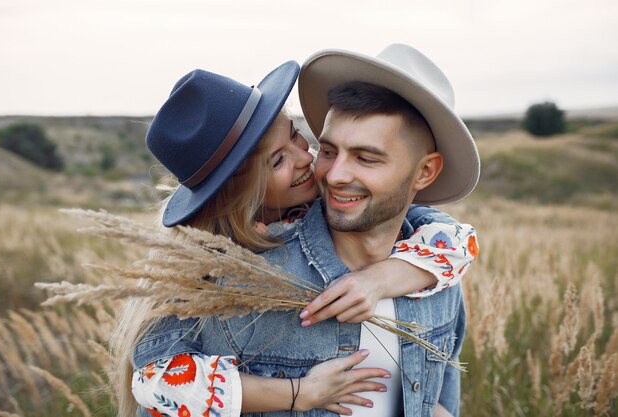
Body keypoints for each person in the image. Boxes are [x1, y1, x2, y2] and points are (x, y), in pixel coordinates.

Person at [116, 44, 478, 417]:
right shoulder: (229, 284)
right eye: (327, 150)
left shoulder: (435, 273)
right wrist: (297, 393)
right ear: (240, 197)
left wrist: (385, 278)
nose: (319, 167)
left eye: (299, 137)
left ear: (425, 172)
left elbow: (454, 244)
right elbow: (158, 383)